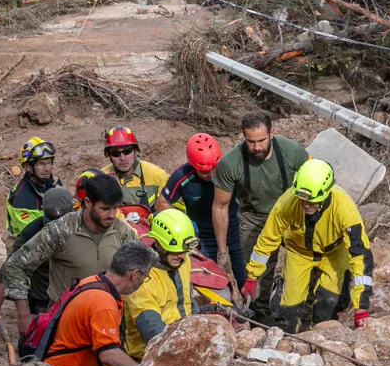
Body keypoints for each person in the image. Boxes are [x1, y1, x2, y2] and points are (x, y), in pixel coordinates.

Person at [1, 173, 138, 340]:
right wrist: (23, 315)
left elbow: (139, 273)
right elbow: (16, 264)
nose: (111, 215)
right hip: (65, 324)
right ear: (87, 203)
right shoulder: (61, 230)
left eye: (115, 208)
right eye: (105, 208)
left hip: (108, 324)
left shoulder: (123, 233)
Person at [242, 160, 372, 333]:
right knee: (287, 311)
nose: (305, 205)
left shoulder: (344, 208)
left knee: (329, 302)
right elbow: (268, 239)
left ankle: (320, 336)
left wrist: (361, 306)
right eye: (302, 200)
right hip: (299, 251)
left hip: (333, 252)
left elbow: (359, 255)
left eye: (311, 202)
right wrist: (252, 276)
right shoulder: (287, 203)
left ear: (325, 194)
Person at [212, 112, 310, 324]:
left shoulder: (293, 152)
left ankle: (303, 314)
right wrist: (222, 252)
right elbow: (220, 206)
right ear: (243, 137)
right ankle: (263, 321)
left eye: (261, 141)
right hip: (254, 218)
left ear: (272, 133)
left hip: (290, 215)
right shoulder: (231, 163)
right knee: (256, 276)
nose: (256, 147)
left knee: (301, 265)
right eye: (251, 142)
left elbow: (313, 181)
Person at [42, 241, 158, 366]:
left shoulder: (91, 282)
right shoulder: (104, 304)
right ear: (135, 274)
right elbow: (109, 354)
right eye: (145, 277)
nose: (143, 282)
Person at [0, 187, 76, 345]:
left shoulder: (83, 228)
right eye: (52, 221)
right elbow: (7, 272)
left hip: (75, 301)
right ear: (43, 212)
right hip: (42, 305)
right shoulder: (31, 233)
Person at [156, 133, 246, 287]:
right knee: (210, 282)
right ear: (192, 165)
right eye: (204, 172)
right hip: (204, 238)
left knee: (245, 278)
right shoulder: (182, 176)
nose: (211, 175)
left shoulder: (230, 168)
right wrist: (185, 223)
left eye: (214, 169)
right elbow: (161, 203)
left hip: (234, 232)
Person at [122, 209, 197, 360]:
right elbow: (150, 326)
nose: (181, 256)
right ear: (158, 243)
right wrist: (177, 352)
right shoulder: (141, 278)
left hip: (182, 341)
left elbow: (188, 302)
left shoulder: (183, 262)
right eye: (175, 251)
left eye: (184, 250)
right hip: (148, 354)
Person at [6, 137, 62, 245]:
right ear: (28, 166)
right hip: (24, 248)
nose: (47, 168)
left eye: (49, 162)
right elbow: (32, 237)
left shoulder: (56, 183)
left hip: (53, 237)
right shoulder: (20, 197)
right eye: (41, 164)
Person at [101, 126, 169, 209]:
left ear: (135, 151)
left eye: (127, 151)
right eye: (116, 153)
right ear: (109, 156)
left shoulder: (157, 176)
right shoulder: (101, 177)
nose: (122, 158)